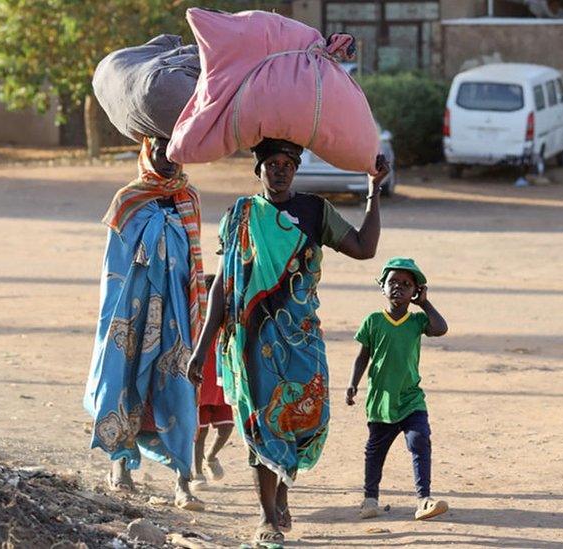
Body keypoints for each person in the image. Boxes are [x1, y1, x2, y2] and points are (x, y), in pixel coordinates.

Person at [186, 138, 390, 546]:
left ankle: (281, 490)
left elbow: (365, 250)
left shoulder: (315, 210)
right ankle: (267, 519)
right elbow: (224, 288)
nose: (280, 170)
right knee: (261, 424)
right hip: (250, 341)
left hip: (302, 338)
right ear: (257, 169)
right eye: (272, 164)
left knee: (303, 418)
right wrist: (202, 346)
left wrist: (373, 190)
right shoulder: (240, 215)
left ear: (296, 170)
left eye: (288, 164)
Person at [83, 136, 207, 511]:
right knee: (123, 380)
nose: (168, 160)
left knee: (180, 391)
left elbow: (193, 264)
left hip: (176, 314)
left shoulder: (189, 200)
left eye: (175, 152)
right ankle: (120, 464)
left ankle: (184, 481)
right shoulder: (127, 201)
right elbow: (113, 270)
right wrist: (114, 324)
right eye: (160, 151)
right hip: (131, 313)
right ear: (146, 151)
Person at [345, 257, 450, 521]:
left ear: (415, 291)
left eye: (406, 284)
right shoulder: (373, 321)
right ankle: (370, 499)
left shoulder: (416, 322)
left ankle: (424, 499)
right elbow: (362, 356)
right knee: (375, 451)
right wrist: (352, 384)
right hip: (381, 400)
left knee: (419, 441)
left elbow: (441, 328)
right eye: (392, 282)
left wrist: (425, 303)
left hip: (411, 398)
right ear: (382, 287)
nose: (398, 288)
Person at [192, 273, 235, 486]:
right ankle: (197, 472)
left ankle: (211, 456)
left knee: (226, 427)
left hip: (220, 388)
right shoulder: (197, 325)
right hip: (201, 388)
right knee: (200, 432)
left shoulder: (226, 326)